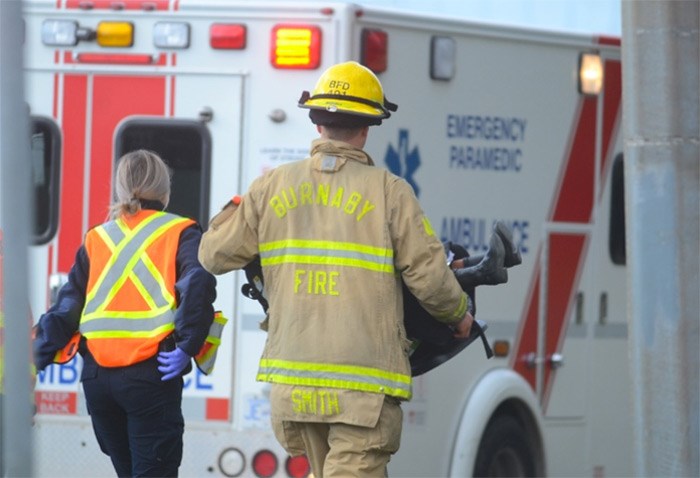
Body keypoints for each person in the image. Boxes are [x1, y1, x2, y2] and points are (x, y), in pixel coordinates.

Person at [198, 61, 473, 477]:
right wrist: (459, 315)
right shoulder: (390, 192)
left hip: (295, 386)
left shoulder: (270, 187)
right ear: (367, 128)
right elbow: (430, 277)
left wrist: (239, 210)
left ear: (317, 124)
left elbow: (212, 255)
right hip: (361, 390)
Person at [33, 149, 217, 477]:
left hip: (97, 380)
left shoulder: (97, 237)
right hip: (151, 374)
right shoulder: (181, 231)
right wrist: (188, 343)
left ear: (119, 190)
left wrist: (32, 359)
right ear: (165, 191)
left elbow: (67, 308)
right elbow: (198, 280)